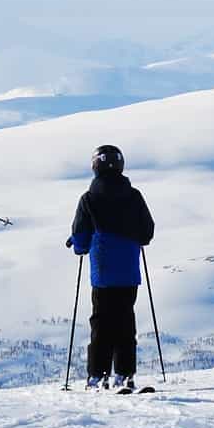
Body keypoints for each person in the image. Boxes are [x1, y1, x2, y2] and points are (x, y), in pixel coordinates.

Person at [67, 144, 155, 391]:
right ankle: (125, 374)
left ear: (95, 166)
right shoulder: (134, 196)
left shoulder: (89, 198)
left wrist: (78, 245)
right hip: (129, 273)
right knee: (126, 321)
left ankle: (97, 375)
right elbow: (147, 231)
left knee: (101, 323)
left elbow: (81, 237)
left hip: (102, 273)